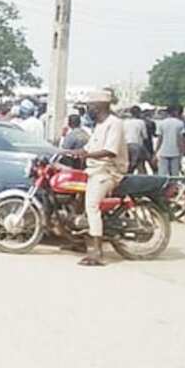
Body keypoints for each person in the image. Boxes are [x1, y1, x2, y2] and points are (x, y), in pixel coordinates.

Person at [65, 90, 127, 267]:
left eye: (90, 106)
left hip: (108, 171)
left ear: (100, 106)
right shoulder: (99, 125)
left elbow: (110, 150)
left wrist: (88, 155)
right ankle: (79, 241)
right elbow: (88, 148)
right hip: (94, 169)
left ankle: (98, 253)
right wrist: (71, 152)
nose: (88, 110)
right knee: (76, 198)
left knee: (92, 206)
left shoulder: (114, 123)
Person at [154, 105, 185, 176]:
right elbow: (180, 139)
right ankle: (173, 186)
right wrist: (182, 151)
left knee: (162, 174)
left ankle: (163, 186)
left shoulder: (162, 123)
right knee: (174, 174)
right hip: (175, 152)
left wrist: (156, 151)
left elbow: (160, 139)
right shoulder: (180, 123)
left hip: (163, 151)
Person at [123, 106, 148, 174]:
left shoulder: (125, 122)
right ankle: (143, 180)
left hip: (126, 145)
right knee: (140, 164)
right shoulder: (141, 122)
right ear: (139, 113)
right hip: (137, 145)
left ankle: (127, 179)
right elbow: (145, 136)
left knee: (128, 164)